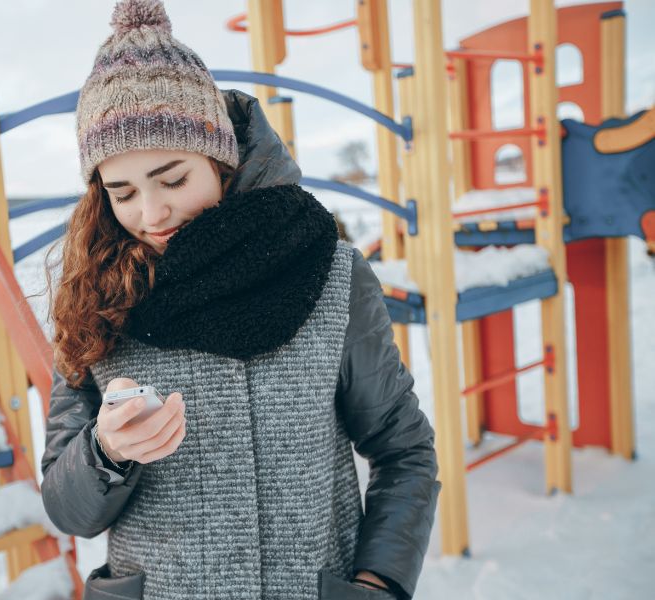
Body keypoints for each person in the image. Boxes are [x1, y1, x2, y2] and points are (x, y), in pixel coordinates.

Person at [39, 1, 440, 598]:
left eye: (173, 180)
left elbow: (403, 448)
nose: (150, 214)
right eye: (122, 192)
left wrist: (378, 583)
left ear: (221, 161)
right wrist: (106, 451)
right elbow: (68, 510)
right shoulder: (99, 294)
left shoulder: (327, 272)